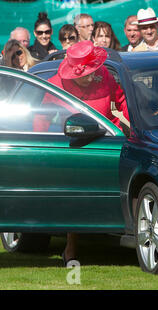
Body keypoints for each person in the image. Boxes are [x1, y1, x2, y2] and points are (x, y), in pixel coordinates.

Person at [33, 40, 129, 266]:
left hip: (108, 142)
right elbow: (42, 119)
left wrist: (133, 125)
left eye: (93, 71)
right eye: (87, 73)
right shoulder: (55, 85)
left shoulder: (103, 73)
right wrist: (39, 150)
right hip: (74, 147)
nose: (91, 76)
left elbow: (122, 100)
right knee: (75, 197)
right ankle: (71, 247)